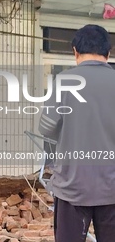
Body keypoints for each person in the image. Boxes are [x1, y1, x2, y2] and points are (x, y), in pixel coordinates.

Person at [38, 24, 115, 242]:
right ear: (108, 53)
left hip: (73, 188)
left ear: (75, 52)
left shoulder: (64, 82)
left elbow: (46, 128)